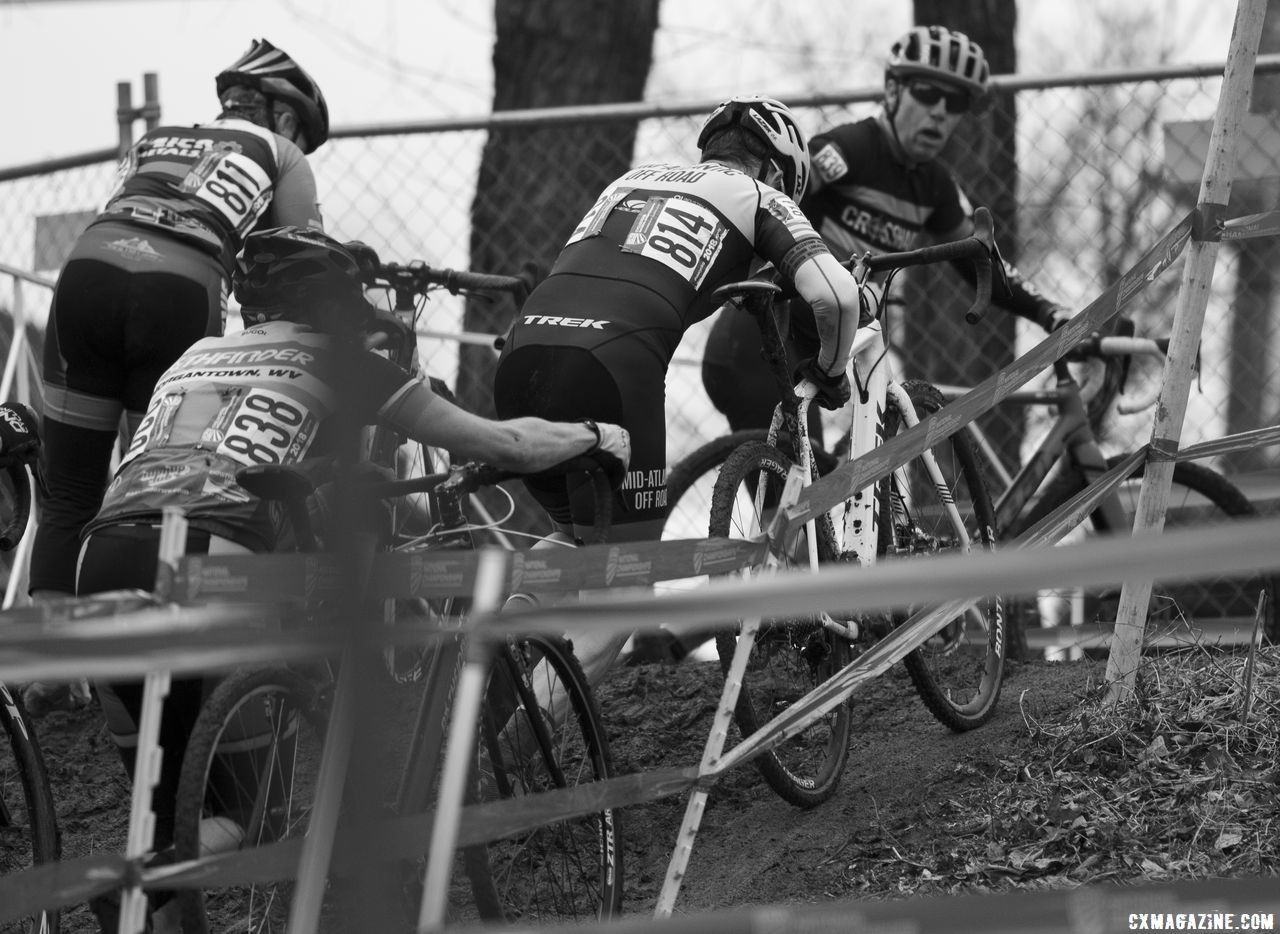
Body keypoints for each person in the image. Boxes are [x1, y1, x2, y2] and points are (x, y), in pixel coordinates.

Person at [77, 225, 629, 934]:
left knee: (175, 815)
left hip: (107, 554)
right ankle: (148, 879)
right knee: (252, 818)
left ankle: (140, 885)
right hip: (213, 553)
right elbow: (504, 443)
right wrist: (594, 437)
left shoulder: (194, 355)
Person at [493, 95, 866, 679]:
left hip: (520, 359)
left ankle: (495, 654)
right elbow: (836, 296)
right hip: (612, 368)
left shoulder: (628, 181)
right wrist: (832, 369)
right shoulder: (759, 195)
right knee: (626, 591)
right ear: (774, 171)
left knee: (577, 537)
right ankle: (500, 754)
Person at [25, 37, 332, 715]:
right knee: (158, 484)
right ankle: (156, 659)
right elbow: (296, 262)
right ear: (285, 118)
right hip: (181, 282)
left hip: (90, 270)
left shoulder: (161, 138)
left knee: (71, 484)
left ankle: (51, 660)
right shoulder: (280, 156)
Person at [702, 25, 1071, 435]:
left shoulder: (936, 187)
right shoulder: (850, 149)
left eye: (956, 103)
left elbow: (979, 262)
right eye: (928, 94)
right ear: (893, 92)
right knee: (801, 494)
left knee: (822, 488)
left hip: (820, 354)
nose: (940, 112)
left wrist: (1047, 310)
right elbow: (760, 200)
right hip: (760, 344)